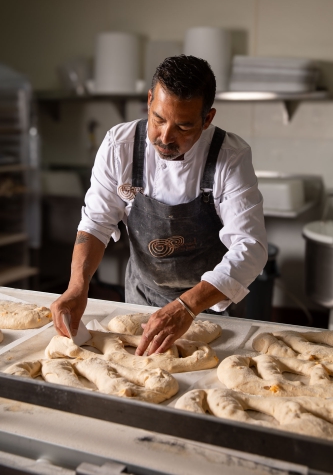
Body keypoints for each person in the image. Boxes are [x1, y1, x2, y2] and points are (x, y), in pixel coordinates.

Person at [51, 55, 267, 357]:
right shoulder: (120, 146)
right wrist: (77, 286)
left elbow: (250, 247)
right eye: (159, 118)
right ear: (150, 99)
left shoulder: (230, 158)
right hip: (140, 298)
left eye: (184, 126)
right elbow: (95, 223)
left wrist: (187, 306)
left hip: (208, 306)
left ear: (207, 119)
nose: (165, 137)